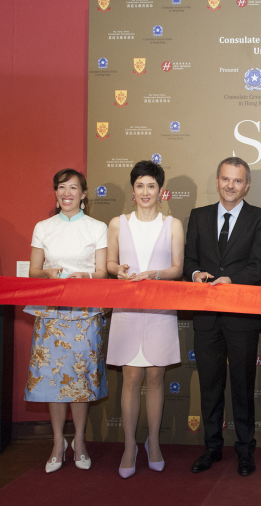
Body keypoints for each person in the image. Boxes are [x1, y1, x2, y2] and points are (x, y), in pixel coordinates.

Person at [184, 157, 261, 476]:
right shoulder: (198, 216)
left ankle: (245, 450)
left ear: (246, 185)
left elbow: (259, 265)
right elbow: (189, 260)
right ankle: (211, 448)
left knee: (242, 385)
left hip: (242, 315)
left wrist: (231, 281)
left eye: (237, 181)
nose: (230, 186)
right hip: (207, 316)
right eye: (225, 179)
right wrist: (195, 274)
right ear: (217, 180)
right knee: (209, 384)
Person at [25, 168, 108, 473]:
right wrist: (46, 273)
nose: (67, 193)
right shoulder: (43, 227)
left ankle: (81, 440)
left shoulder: (96, 227)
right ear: (56, 193)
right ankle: (58, 441)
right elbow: (34, 271)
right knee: (52, 379)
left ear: (84, 195)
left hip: (85, 314)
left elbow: (102, 272)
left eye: (73, 188)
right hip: (50, 314)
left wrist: (86, 276)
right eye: (62, 187)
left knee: (80, 379)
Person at [106, 160, 184, 478]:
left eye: (151, 185)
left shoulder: (173, 224)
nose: (145, 191)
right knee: (130, 380)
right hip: (126, 311)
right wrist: (117, 270)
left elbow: (178, 269)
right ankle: (129, 446)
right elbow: (110, 262)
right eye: (140, 185)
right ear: (133, 190)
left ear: (160, 190)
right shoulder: (117, 223)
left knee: (155, 379)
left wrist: (154, 273)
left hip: (159, 311)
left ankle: (153, 442)